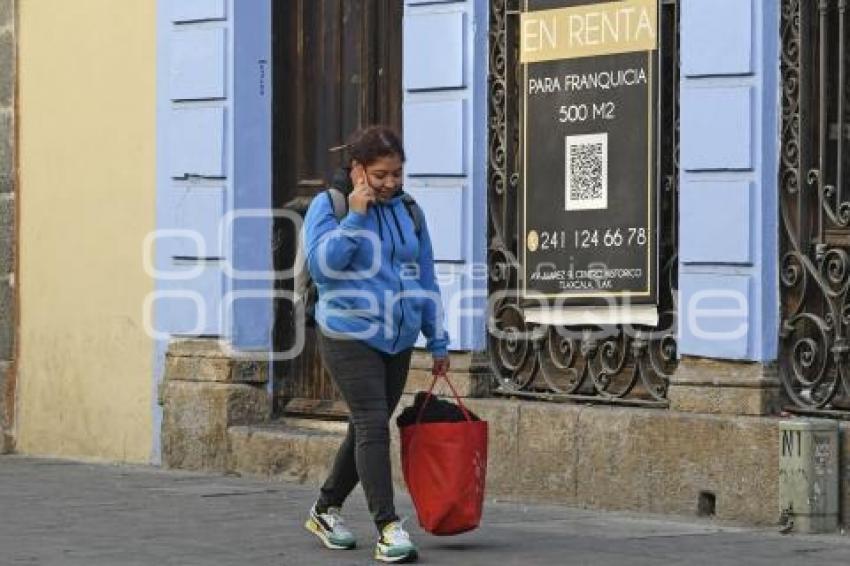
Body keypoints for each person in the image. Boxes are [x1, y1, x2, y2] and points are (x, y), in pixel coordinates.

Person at [302, 125, 450, 563]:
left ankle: (325, 509)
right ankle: (388, 527)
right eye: (381, 174)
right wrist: (356, 217)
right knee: (371, 423)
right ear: (358, 170)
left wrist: (437, 339)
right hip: (348, 332)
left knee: (366, 425)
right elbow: (324, 268)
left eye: (397, 173)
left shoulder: (410, 211)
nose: (390, 183)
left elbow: (425, 277)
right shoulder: (328, 206)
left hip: (397, 337)